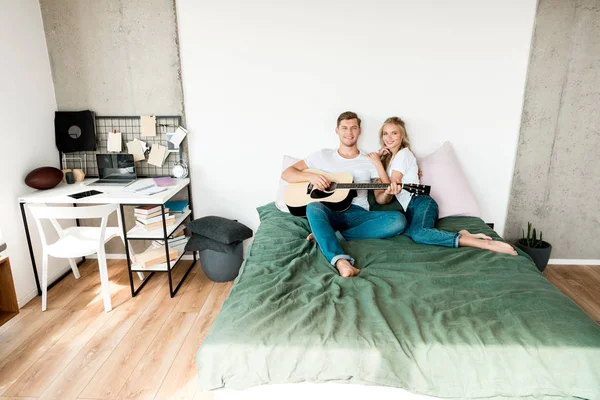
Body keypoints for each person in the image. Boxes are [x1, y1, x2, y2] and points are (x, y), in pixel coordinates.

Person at [282, 111, 407, 277]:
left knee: (398, 220)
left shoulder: (370, 161)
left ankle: (328, 233)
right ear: (337, 131)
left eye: (354, 128)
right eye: (345, 128)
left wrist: (389, 193)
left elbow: (381, 199)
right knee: (312, 207)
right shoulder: (321, 155)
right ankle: (341, 261)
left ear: (359, 131)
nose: (349, 132)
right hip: (329, 212)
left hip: (358, 214)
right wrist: (311, 176)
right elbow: (287, 173)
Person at [368, 116, 518, 255]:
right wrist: (381, 160)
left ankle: (482, 244)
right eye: (385, 134)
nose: (389, 137)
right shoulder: (392, 159)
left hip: (421, 202)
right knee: (405, 231)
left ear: (402, 136)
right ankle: (463, 235)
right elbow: (384, 197)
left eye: (394, 133)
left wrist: (377, 163)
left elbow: (392, 186)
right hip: (410, 208)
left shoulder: (403, 154)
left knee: (420, 233)